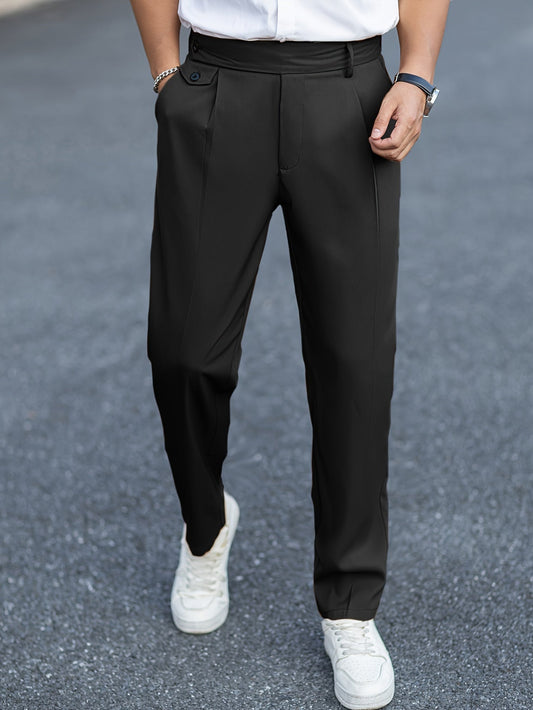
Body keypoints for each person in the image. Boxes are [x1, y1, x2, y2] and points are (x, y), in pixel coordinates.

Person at [129, 1, 449, 707]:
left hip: (348, 90)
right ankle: (205, 526)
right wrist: (165, 75)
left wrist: (416, 75)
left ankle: (350, 606)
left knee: (354, 362)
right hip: (216, 82)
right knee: (184, 352)